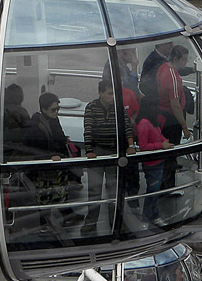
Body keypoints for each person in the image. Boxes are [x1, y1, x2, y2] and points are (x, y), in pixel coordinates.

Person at [81, 79, 137, 234]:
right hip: (98, 152)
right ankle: (91, 221)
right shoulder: (91, 108)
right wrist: (89, 151)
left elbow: (127, 126)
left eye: (114, 93)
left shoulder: (118, 107)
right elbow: (88, 130)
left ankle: (116, 221)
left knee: (114, 190)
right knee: (94, 190)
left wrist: (130, 146)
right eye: (110, 93)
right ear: (101, 94)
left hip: (114, 152)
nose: (113, 97)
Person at [26, 91, 72, 232]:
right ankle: (45, 224)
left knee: (59, 192)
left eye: (58, 109)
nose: (56, 112)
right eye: (53, 110)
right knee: (45, 196)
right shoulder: (36, 125)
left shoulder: (51, 120)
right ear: (44, 109)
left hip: (58, 164)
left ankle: (65, 217)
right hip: (46, 167)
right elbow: (34, 148)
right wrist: (49, 157)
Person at [155, 45, 192, 189]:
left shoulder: (163, 68)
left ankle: (164, 182)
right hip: (172, 120)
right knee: (171, 152)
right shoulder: (172, 77)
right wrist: (185, 127)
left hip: (163, 116)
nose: (186, 62)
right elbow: (175, 105)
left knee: (166, 152)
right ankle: (167, 186)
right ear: (176, 59)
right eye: (184, 60)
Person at [134, 96, 172, 224]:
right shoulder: (144, 124)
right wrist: (162, 145)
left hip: (157, 161)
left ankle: (153, 215)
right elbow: (143, 147)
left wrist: (163, 140)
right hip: (152, 163)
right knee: (152, 191)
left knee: (154, 191)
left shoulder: (150, 121)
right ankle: (149, 216)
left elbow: (157, 135)